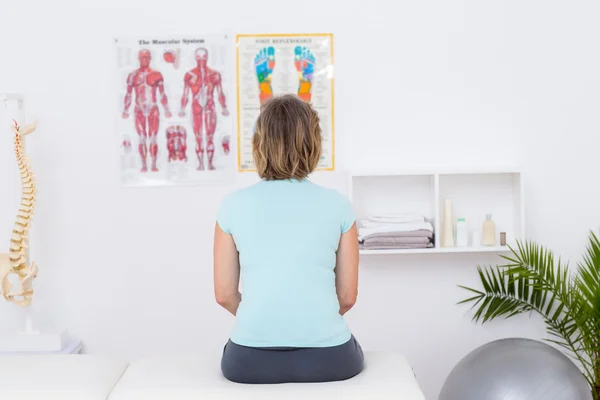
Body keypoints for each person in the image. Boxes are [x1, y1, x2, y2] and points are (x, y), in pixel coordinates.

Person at [213, 94, 363, 384]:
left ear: (259, 144)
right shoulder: (339, 205)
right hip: (331, 359)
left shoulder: (232, 205)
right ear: (314, 144)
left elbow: (224, 295)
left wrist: (265, 321)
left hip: (247, 362)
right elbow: (347, 296)